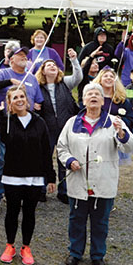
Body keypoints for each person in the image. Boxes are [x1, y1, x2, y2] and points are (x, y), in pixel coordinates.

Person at [58, 83, 133, 265]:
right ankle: (75, 252)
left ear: (103, 100)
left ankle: (98, 255)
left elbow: (131, 146)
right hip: (78, 179)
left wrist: (121, 133)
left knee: (100, 221)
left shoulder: (114, 122)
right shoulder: (72, 123)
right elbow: (61, 147)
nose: (93, 97)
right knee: (76, 219)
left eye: (97, 94)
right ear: (83, 100)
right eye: (89, 94)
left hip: (103, 181)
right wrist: (69, 160)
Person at [0, 86, 55, 265]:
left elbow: (46, 150)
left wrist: (50, 176)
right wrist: (1, 116)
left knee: (29, 213)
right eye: (15, 98)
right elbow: (5, 140)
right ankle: (10, 245)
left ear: (27, 99)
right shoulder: (8, 121)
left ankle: (26, 246)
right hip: (12, 176)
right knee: (12, 212)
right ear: (10, 103)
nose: (19, 100)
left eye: (21, 96)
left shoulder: (39, 122)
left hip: (34, 176)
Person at [0, 47, 42, 214]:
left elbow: (38, 100)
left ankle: (16, 193)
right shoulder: (3, 73)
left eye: (25, 55)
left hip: (27, 125)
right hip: (6, 124)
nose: (24, 57)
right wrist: (10, 82)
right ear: (11, 59)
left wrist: (37, 106)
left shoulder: (31, 78)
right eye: (20, 55)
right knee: (6, 160)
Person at [35, 49, 83, 203]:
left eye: (54, 65)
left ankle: (63, 190)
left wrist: (74, 60)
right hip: (46, 128)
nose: (52, 66)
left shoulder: (64, 83)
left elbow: (78, 77)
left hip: (64, 127)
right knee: (43, 159)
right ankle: (41, 190)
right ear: (42, 71)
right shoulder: (38, 87)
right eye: (48, 65)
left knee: (64, 159)